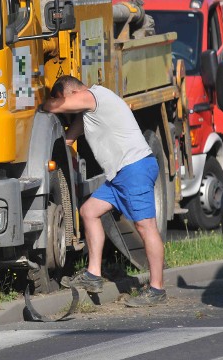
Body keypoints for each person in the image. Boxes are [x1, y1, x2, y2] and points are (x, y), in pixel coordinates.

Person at [43, 75, 167, 307]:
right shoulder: (90, 110)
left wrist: (41, 102)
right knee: (89, 211)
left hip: (134, 168)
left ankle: (157, 288)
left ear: (71, 94)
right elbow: (71, 137)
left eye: (65, 101)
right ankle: (94, 274)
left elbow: (54, 105)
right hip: (121, 174)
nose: (67, 113)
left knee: (145, 226)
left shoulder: (93, 96)